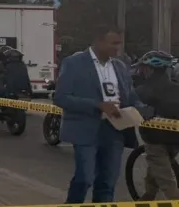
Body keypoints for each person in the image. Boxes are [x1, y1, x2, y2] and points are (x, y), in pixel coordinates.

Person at [54, 25, 147, 203]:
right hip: (86, 130)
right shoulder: (74, 63)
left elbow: (131, 95)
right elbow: (61, 98)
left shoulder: (120, 66)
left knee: (107, 182)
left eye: (119, 44)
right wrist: (98, 105)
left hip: (115, 131)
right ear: (98, 41)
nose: (117, 48)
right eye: (113, 43)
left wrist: (140, 108)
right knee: (85, 179)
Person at [133, 51, 179, 200]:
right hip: (175, 139)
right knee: (157, 168)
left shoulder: (144, 90)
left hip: (154, 139)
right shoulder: (175, 88)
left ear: (149, 69)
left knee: (166, 179)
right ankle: (148, 196)